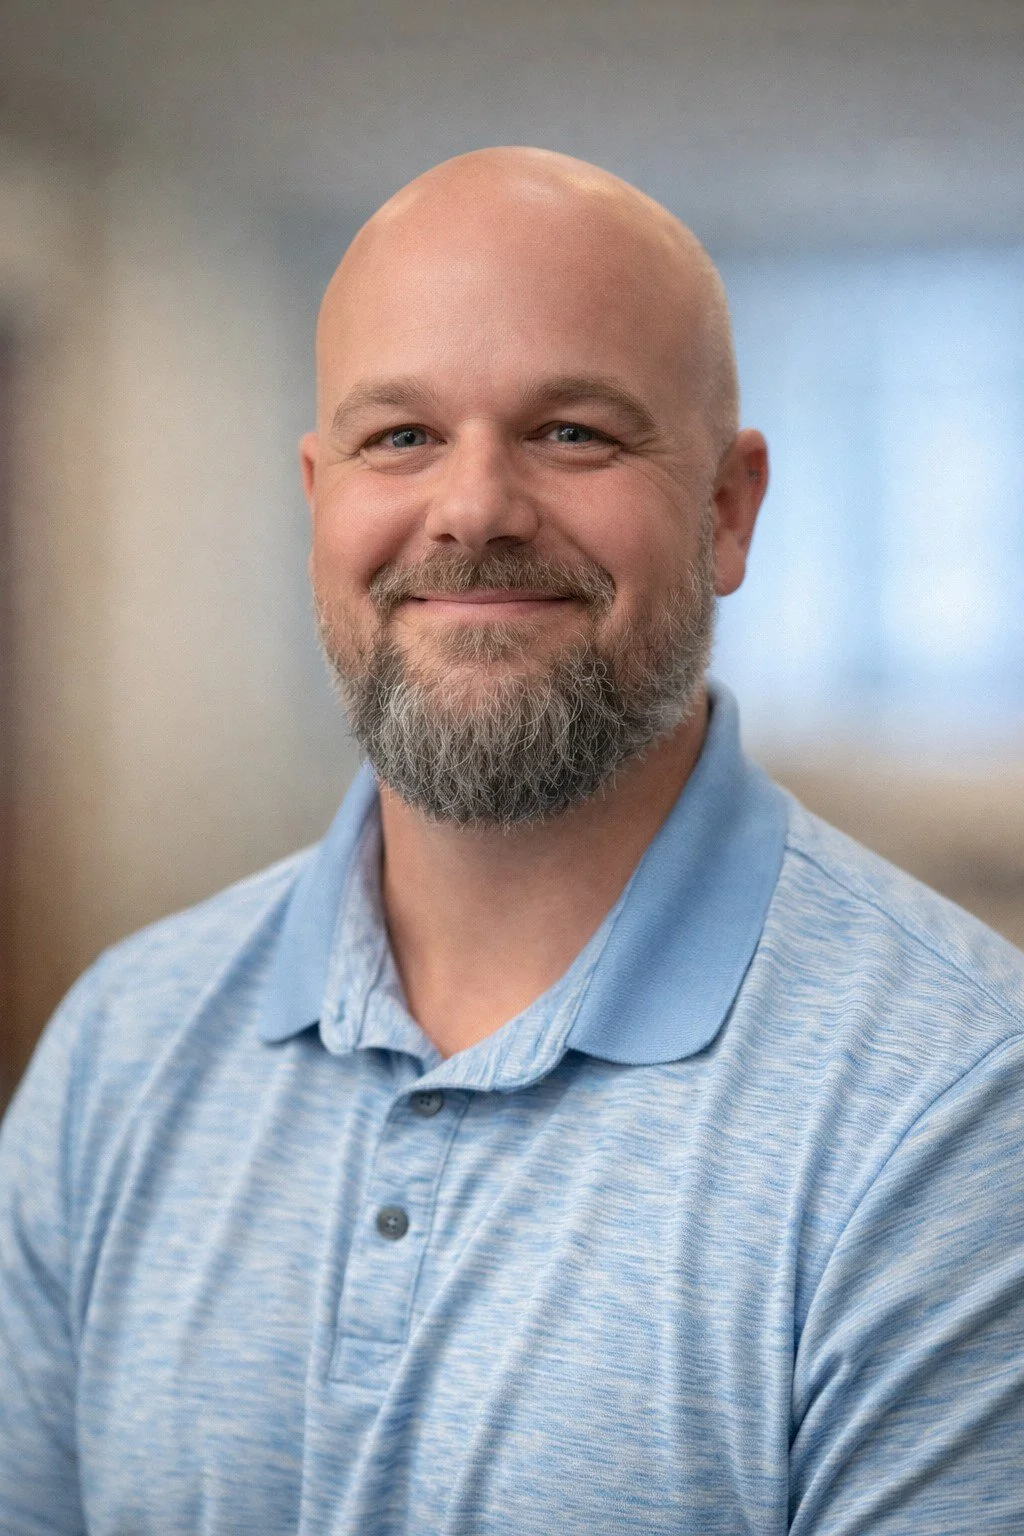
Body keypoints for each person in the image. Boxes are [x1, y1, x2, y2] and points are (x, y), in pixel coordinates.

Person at [0, 147, 1021, 1536]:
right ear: (319, 498)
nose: (473, 509)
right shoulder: (122, 1046)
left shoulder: (958, 1103)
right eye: (400, 437)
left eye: (574, 432)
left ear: (727, 508)